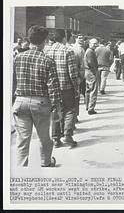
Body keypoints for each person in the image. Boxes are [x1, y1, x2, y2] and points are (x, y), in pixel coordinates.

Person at [12, 25, 61, 167]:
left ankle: (21, 167)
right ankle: (46, 162)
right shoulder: (48, 61)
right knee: (44, 137)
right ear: (44, 41)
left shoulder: (18, 58)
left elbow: (13, 82)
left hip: (20, 101)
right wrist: (56, 107)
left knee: (22, 139)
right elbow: (53, 87)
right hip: (40, 103)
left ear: (29, 39)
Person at [45, 29, 79, 148]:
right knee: (70, 110)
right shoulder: (68, 51)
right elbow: (73, 73)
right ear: (64, 38)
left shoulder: (47, 51)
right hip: (66, 87)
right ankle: (68, 135)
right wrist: (77, 88)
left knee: (55, 111)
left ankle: (55, 139)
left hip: (52, 88)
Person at [72, 33, 86, 121]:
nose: (81, 39)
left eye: (82, 38)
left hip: (79, 73)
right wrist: (81, 76)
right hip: (78, 74)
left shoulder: (81, 48)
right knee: (76, 96)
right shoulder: (76, 49)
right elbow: (81, 64)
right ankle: (74, 117)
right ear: (75, 39)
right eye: (79, 38)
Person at [84, 38, 99, 114]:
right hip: (91, 72)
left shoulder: (88, 50)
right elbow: (91, 62)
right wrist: (94, 71)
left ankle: (87, 106)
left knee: (88, 90)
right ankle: (91, 108)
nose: (95, 45)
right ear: (90, 43)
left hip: (87, 72)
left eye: (96, 43)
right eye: (94, 43)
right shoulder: (90, 51)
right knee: (93, 90)